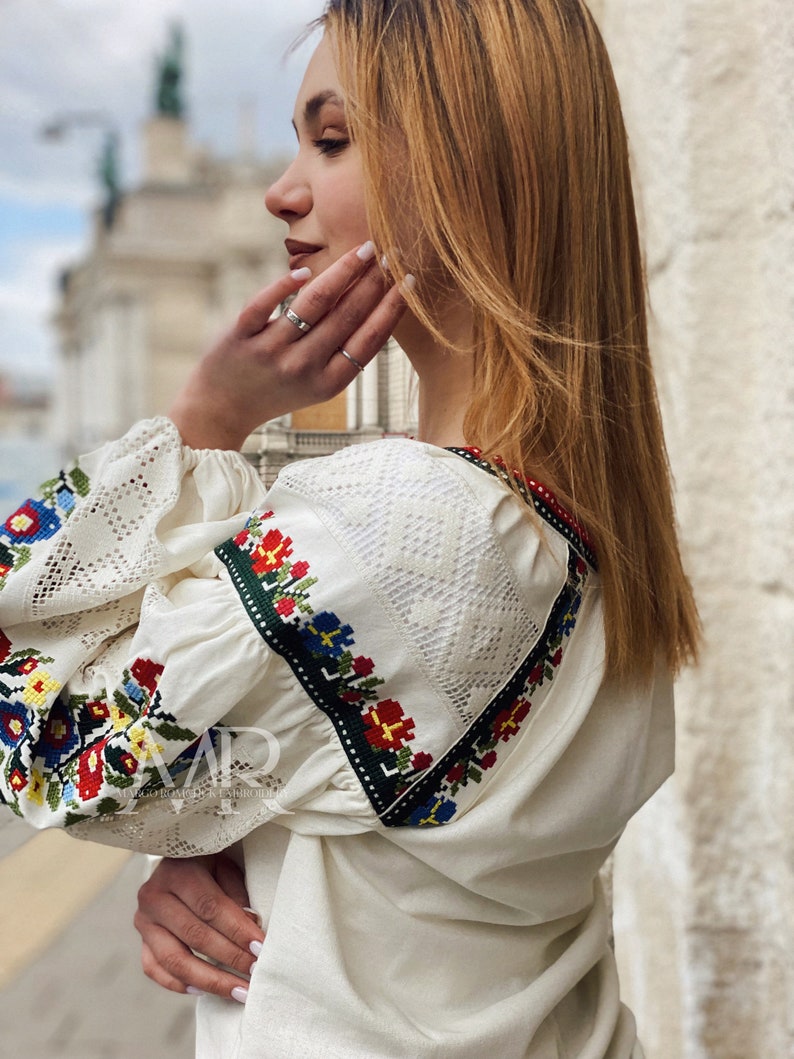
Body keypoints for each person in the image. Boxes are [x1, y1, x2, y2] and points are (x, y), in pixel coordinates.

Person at [0, 1, 699, 1055]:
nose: (284, 191)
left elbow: (48, 749)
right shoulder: (591, 526)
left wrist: (201, 423)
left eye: (331, 140)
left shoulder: (403, 527)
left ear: (477, 163)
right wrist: (212, 839)